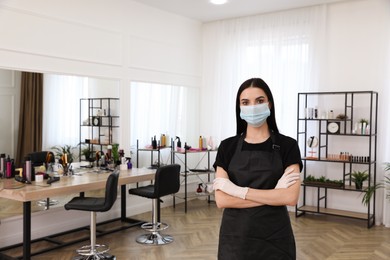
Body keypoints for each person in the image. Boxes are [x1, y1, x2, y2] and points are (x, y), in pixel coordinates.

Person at [213, 78, 302, 260]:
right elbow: (222, 200)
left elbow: (290, 197)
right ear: (239, 108)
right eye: (246, 102)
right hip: (235, 239)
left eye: (259, 101)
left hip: (275, 238)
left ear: (269, 103)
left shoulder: (288, 146)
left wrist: (236, 191)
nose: (253, 107)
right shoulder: (227, 147)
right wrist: (274, 194)